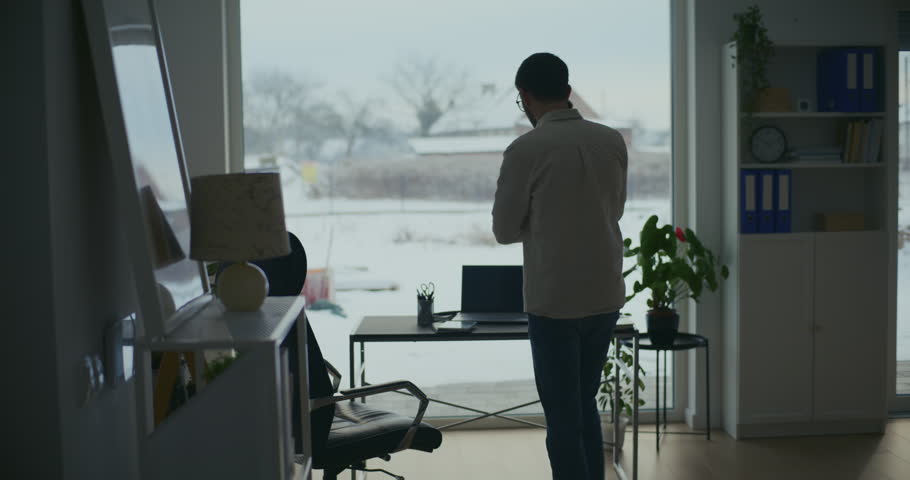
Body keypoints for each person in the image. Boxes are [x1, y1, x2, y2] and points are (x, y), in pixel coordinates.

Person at [492, 52, 628, 480]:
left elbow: (504, 229)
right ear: (568, 93)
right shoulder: (612, 141)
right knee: (582, 400)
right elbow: (615, 210)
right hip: (605, 294)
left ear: (525, 96)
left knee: (562, 417)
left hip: (554, 300)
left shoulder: (525, 149)